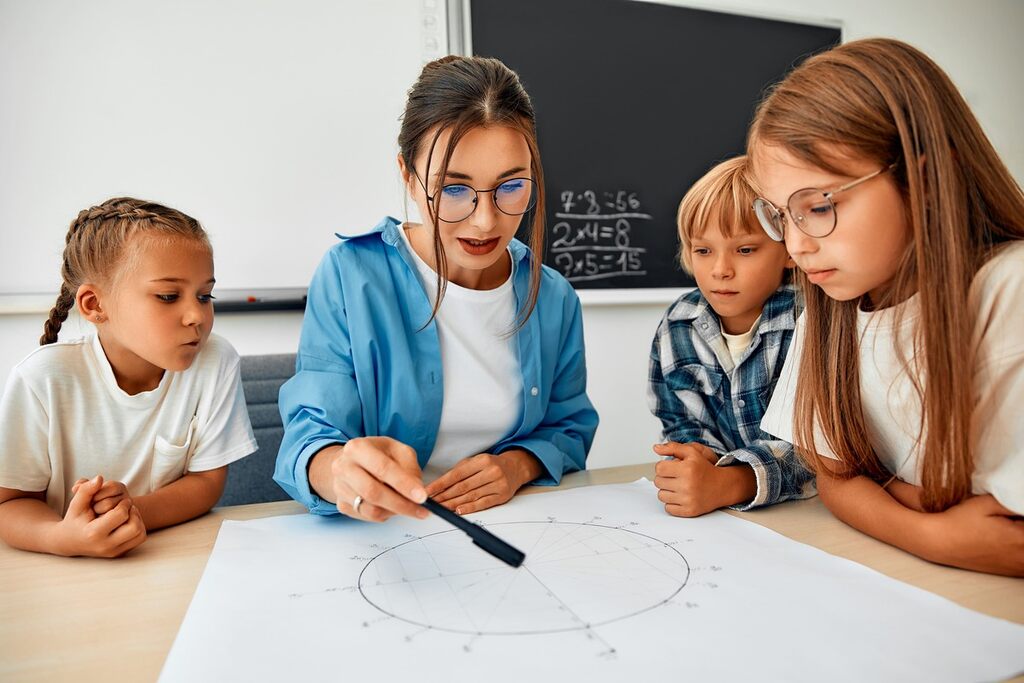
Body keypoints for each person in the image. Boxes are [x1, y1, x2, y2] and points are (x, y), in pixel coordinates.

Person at [275, 56, 598, 522]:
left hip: (512, 526)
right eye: (453, 189)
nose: (486, 221)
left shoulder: (553, 297)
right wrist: (337, 471)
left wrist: (517, 466)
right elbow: (308, 439)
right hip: (381, 538)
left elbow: (568, 427)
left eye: (511, 186)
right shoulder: (351, 275)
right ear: (408, 176)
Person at [750, 38, 1024, 576]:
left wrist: (882, 490)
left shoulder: (1008, 288)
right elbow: (830, 475)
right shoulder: (828, 314)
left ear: (922, 180)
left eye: (820, 205)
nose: (796, 245)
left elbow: (1009, 539)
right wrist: (934, 532)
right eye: (781, 215)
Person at [0, 198, 256, 557]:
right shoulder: (40, 378)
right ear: (94, 306)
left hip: (165, 558)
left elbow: (206, 482)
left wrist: (131, 512)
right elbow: (9, 505)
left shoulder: (216, 360)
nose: (196, 315)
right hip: (59, 570)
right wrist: (62, 537)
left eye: (205, 295)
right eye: (168, 296)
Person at [648, 155, 813, 517]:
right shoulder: (679, 325)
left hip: (805, 513)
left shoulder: (811, 321)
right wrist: (696, 459)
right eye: (703, 250)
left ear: (787, 249)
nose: (720, 270)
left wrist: (733, 480)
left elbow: (817, 448)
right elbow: (680, 422)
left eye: (745, 250)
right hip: (722, 518)